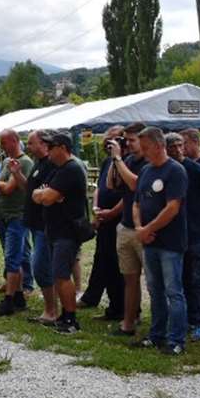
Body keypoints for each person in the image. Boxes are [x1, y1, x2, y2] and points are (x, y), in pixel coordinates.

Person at [130, 127, 189, 354]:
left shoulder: (175, 171)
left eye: (146, 148)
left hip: (170, 242)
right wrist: (139, 228)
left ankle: (176, 340)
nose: (143, 153)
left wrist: (148, 228)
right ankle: (156, 335)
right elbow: (136, 203)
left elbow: (173, 207)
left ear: (158, 145)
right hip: (149, 241)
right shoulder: (146, 171)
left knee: (173, 291)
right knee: (154, 290)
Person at [32, 132, 87, 334]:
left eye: (51, 147)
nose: (48, 151)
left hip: (66, 231)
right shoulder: (58, 169)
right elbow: (39, 193)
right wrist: (44, 194)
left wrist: (46, 194)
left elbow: (47, 196)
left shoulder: (71, 169)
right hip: (54, 229)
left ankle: (71, 319)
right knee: (58, 274)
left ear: (62, 148)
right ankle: (65, 314)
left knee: (62, 275)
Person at [165, 132, 200, 342]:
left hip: (197, 233)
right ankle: (184, 319)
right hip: (175, 235)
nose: (177, 150)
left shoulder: (196, 169)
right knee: (180, 279)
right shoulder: (166, 170)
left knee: (199, 278)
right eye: (172, 146)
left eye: (179, 145)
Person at [79, 125, 126, 321]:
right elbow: (100, 187)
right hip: (104, 218)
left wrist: (112, 212)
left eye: (115, 139)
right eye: (108, 140)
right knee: (102, 259)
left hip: (119, 219)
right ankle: (93, 297)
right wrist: (96, 209)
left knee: (117, 266)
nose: (110, 143)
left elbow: (129, 193)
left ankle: (119, 308)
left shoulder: (125, 162)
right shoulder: (108, 161)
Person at [107, 122, 148, 336]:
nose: (129, 144)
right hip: (125, 226)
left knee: (153, 282)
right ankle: (129, 321)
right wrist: (115, 160)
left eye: (132, 140)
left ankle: (160, 326)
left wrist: (117, 159)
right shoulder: (128, 160)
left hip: (143, 228)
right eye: (126, 140)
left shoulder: (149, 162)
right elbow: (112, 184)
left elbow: (135, 185)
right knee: (129, 279)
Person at [0, 129, 33, 316]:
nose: (2, 146)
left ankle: (9, 300)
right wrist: (2, 183)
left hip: (17, 216)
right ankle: (18, 295)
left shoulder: (24, 162)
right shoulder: (6, 162)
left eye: (4, 142)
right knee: (15, 256)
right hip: (4, 215)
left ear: (14, 141)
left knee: (13, 257)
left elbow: (6, 188)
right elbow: (0, 183)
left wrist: (2, 183)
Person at [17, 130, 59, 324]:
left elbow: (47, 194)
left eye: (31, 143)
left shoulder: (52, 165)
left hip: (46, 224)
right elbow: (30, 190)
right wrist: (17, 174)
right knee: (42, 266)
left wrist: (39, 195)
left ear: (43, 144)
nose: (28, 146)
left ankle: (52, 310)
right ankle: (50, 308)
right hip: (34, 223)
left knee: (41, 266)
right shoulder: (38, 164)